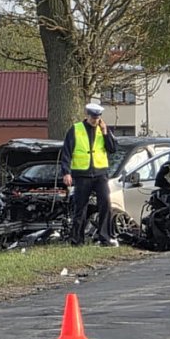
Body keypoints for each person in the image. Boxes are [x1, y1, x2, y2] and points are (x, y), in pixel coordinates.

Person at [60, 103, 119, 246]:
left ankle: (105, 237)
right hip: (82, 174)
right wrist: (66, 172)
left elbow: (112, 149)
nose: (95, 120)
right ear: (87, 115)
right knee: (81, 207)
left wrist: (105, 132)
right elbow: (66, 152)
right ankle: (77, 240)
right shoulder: (76, 129)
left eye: (97, 117)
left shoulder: (103, 129)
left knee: (105, 204)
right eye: (93, 117)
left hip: (100, 174)